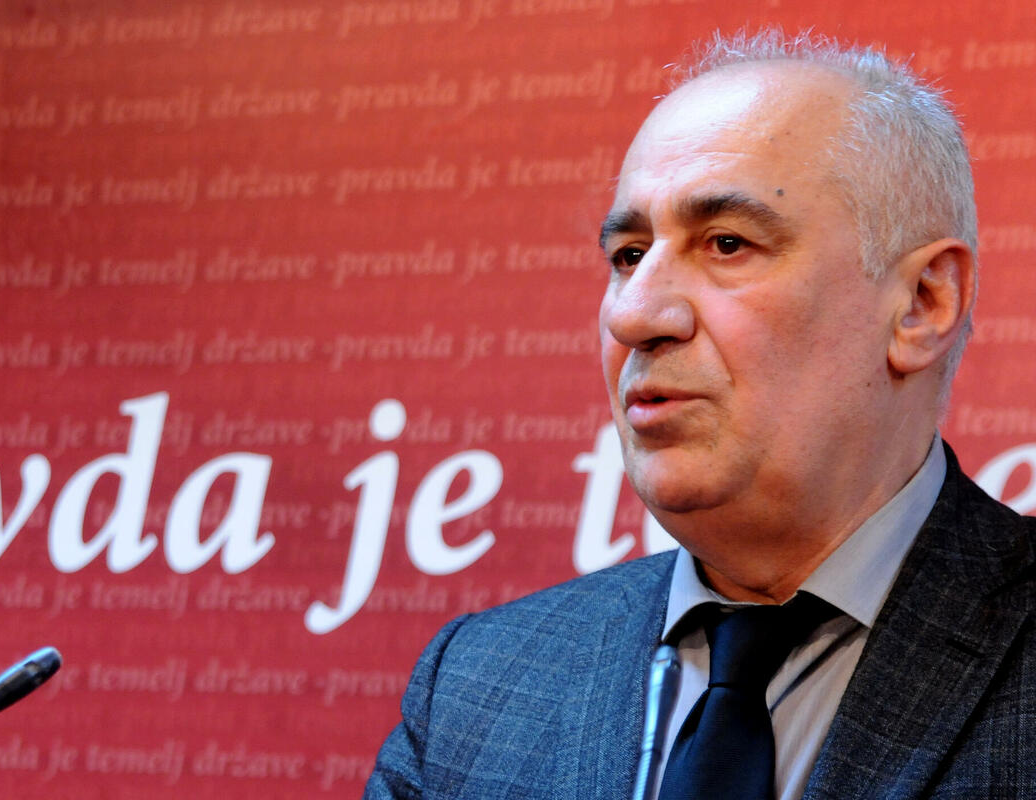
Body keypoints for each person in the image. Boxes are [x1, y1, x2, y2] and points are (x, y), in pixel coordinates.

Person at [364, 29, 1036, 800]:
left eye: (726, 244)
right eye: (628, 255)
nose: (634, 315)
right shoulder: (478, 686)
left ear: (922, 303)